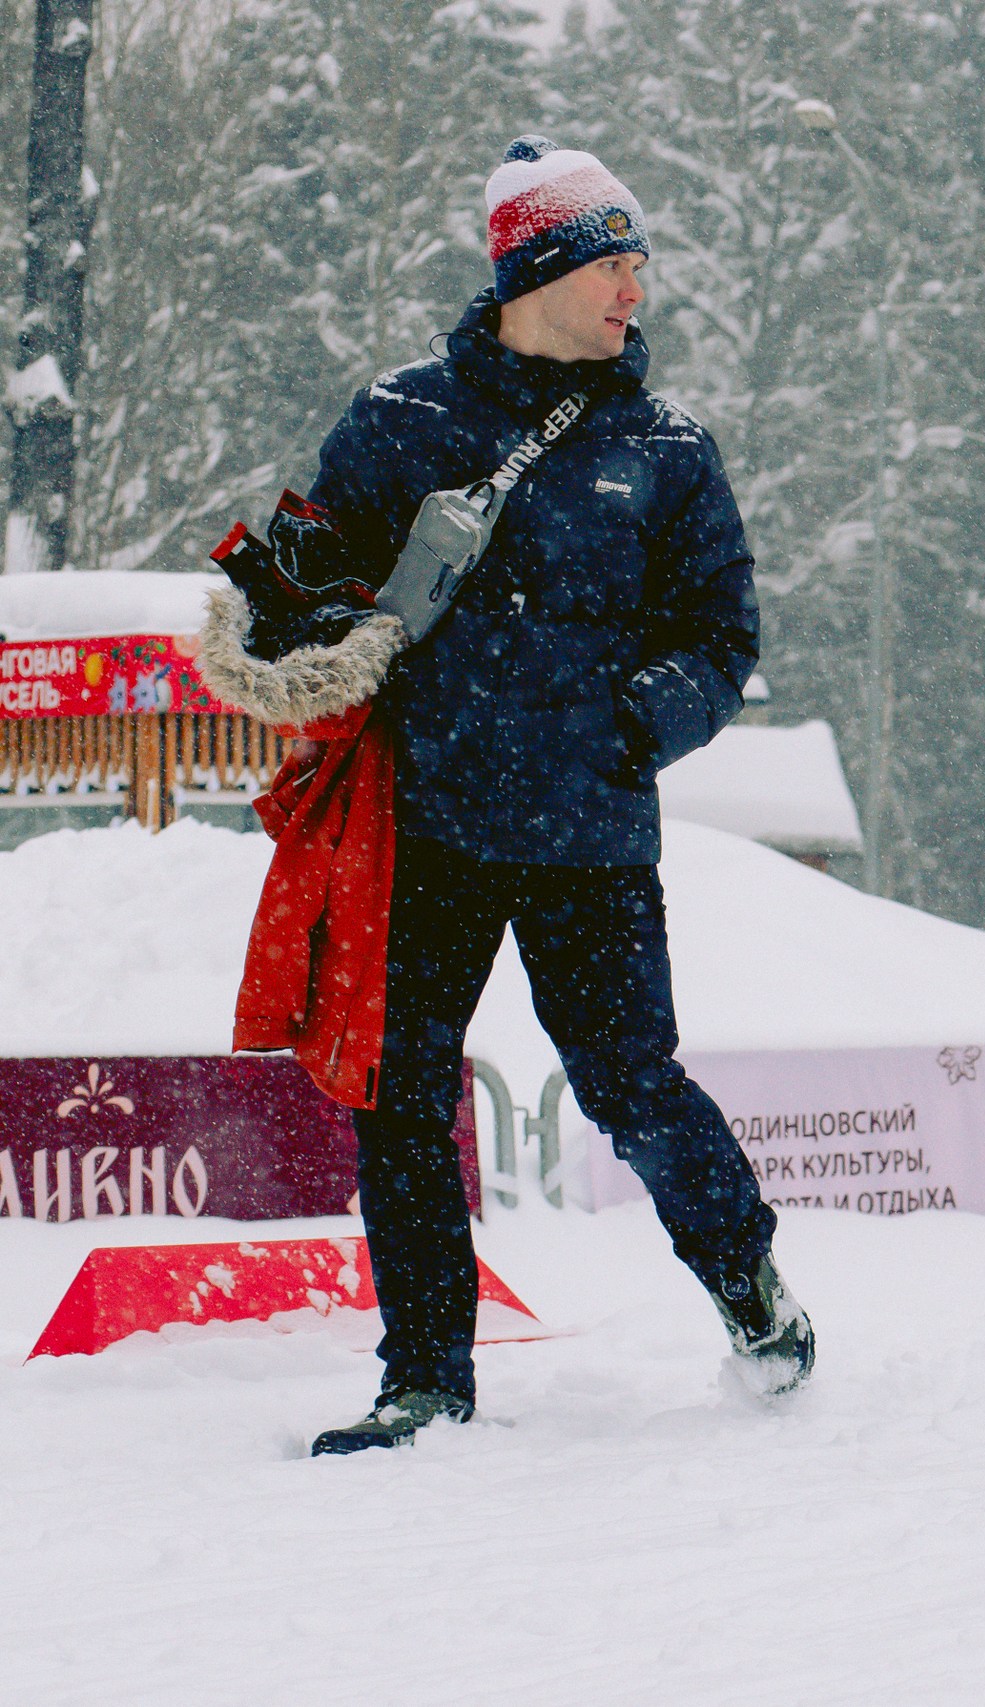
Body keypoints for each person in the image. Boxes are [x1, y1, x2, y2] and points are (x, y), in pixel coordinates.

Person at [262, 136, 812, 1454]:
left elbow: (723, 639)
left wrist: (633, 721)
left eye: (640, 264)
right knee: (402, 1095)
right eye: (616, 262)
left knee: (631, 1082)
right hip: (428, 823)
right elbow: (284, 584)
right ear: (539, 270)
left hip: (591, 833)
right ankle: (426, 1379)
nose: (638, 289)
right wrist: (305, 622)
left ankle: (746, 1279)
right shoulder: (396, 419)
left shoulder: (670, 448)